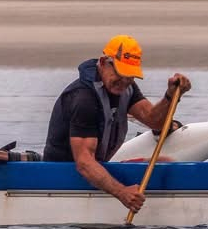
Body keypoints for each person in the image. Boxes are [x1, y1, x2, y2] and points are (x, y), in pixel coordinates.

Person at [43, 34, 192, 212]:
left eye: (130, 77)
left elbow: (154, 121)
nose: (124, 82)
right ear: (104, 62)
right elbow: (84, 163)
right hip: (63, 176)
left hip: (95, 167)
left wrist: (171, 96)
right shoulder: (83, 98)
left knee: (166, 163)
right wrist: (122, 193)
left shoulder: (126, 87)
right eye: (121, 74)